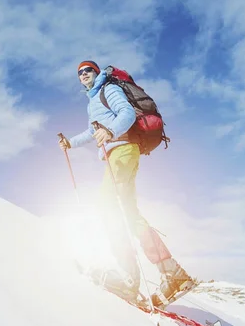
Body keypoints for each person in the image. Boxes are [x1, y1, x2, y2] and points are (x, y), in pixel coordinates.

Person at [59, 60, 193, 307]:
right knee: (129, 213)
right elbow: (91, 132)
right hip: (121, 153)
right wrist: (70, 142)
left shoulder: (107, 89)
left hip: (121, 151)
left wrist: (110, 132)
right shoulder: (93, 101)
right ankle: (171, 271)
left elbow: (128, 114)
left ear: (96, 72)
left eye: (87, 69)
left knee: (106, 208)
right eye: (79, 72)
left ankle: (128, 278)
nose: (83, 74)